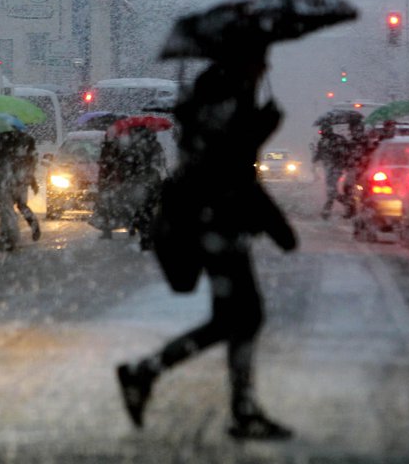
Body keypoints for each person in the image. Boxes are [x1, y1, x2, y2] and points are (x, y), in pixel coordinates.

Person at [115, 51, 297, 441]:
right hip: (210, 222)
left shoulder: (224, 90)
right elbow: (225, 164)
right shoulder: (224, 91)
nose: (265, 68)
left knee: (235, 319)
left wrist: (256, 130)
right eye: (261, 60)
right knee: (244, 316)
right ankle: (238, 408)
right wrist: (259, 131)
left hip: (211, 221)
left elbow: (226, 159)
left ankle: (149, 374)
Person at [6, 130, 41, 241]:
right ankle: (33, 225)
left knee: (11, 206)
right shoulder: (27, 140)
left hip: (12, 180)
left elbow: (29, 164)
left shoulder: (6, 142)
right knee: (21, 205)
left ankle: (10, 234)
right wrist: (32, 181)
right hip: (20, 180)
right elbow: (31, 165)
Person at [312, 124, 349, 219]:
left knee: (331, 189)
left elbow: (345, 152)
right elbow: (320, 153)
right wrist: (316, 158)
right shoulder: (324, 141)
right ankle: (347, 205)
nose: (321, 133)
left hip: (337, 167)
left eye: (322, 131)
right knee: (331, 189)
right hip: (329, 168)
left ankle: (328, 209)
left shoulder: (337, 140)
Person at [90, 134, 123, 239]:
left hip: (109, 182)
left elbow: (107, 166)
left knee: (106, 207)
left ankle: (107, 231)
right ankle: (109, 229)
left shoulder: (108, 149)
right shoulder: (118, 149)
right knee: (110, 207)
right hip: (112, 182)